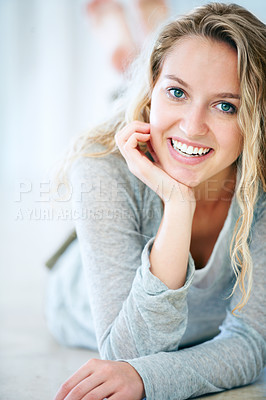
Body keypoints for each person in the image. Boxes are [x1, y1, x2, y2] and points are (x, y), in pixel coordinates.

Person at [45, 2, 266, 399]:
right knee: (129, 125)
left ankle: (135, 42)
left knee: (170, 125)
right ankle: (130, 43)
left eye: (225, 105)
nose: (194, 125)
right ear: (153, 94)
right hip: (77, 288)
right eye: (176, 92)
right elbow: (128, 354)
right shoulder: (99, 169)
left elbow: (252, 342)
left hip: (161, 117)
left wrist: (148, 379)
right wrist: (178, 204)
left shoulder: (260, 180)